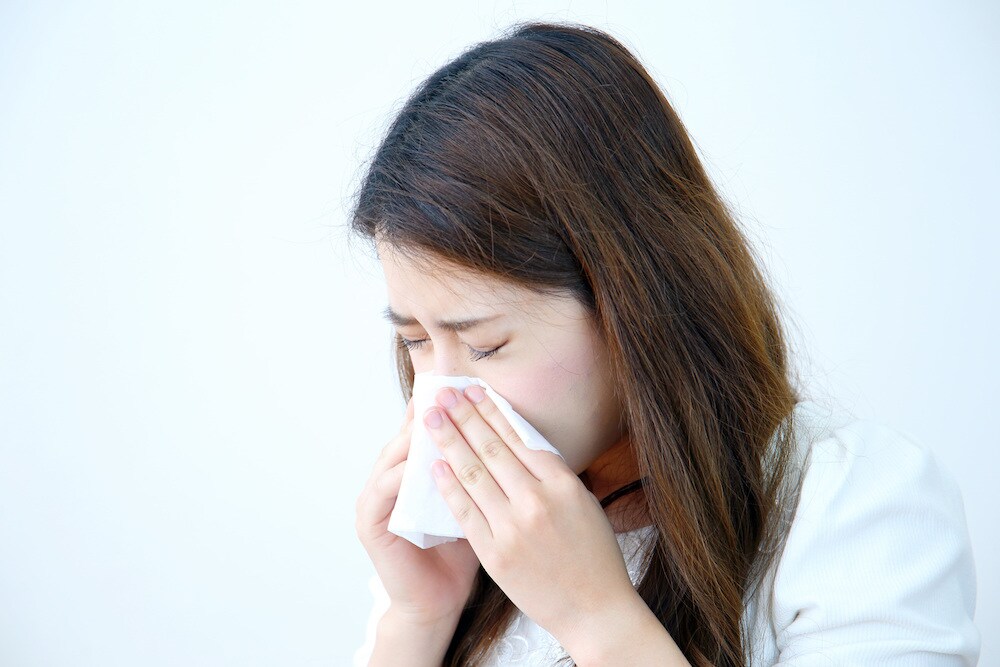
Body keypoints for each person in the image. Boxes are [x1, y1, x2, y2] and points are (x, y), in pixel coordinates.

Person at [349, 20, 980, 667]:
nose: (438, 403)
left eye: (485, 345)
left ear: (633, 305)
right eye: (416, 340)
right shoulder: (455, 551)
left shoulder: (855, 504)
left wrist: (599, 619)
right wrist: (416, 617)